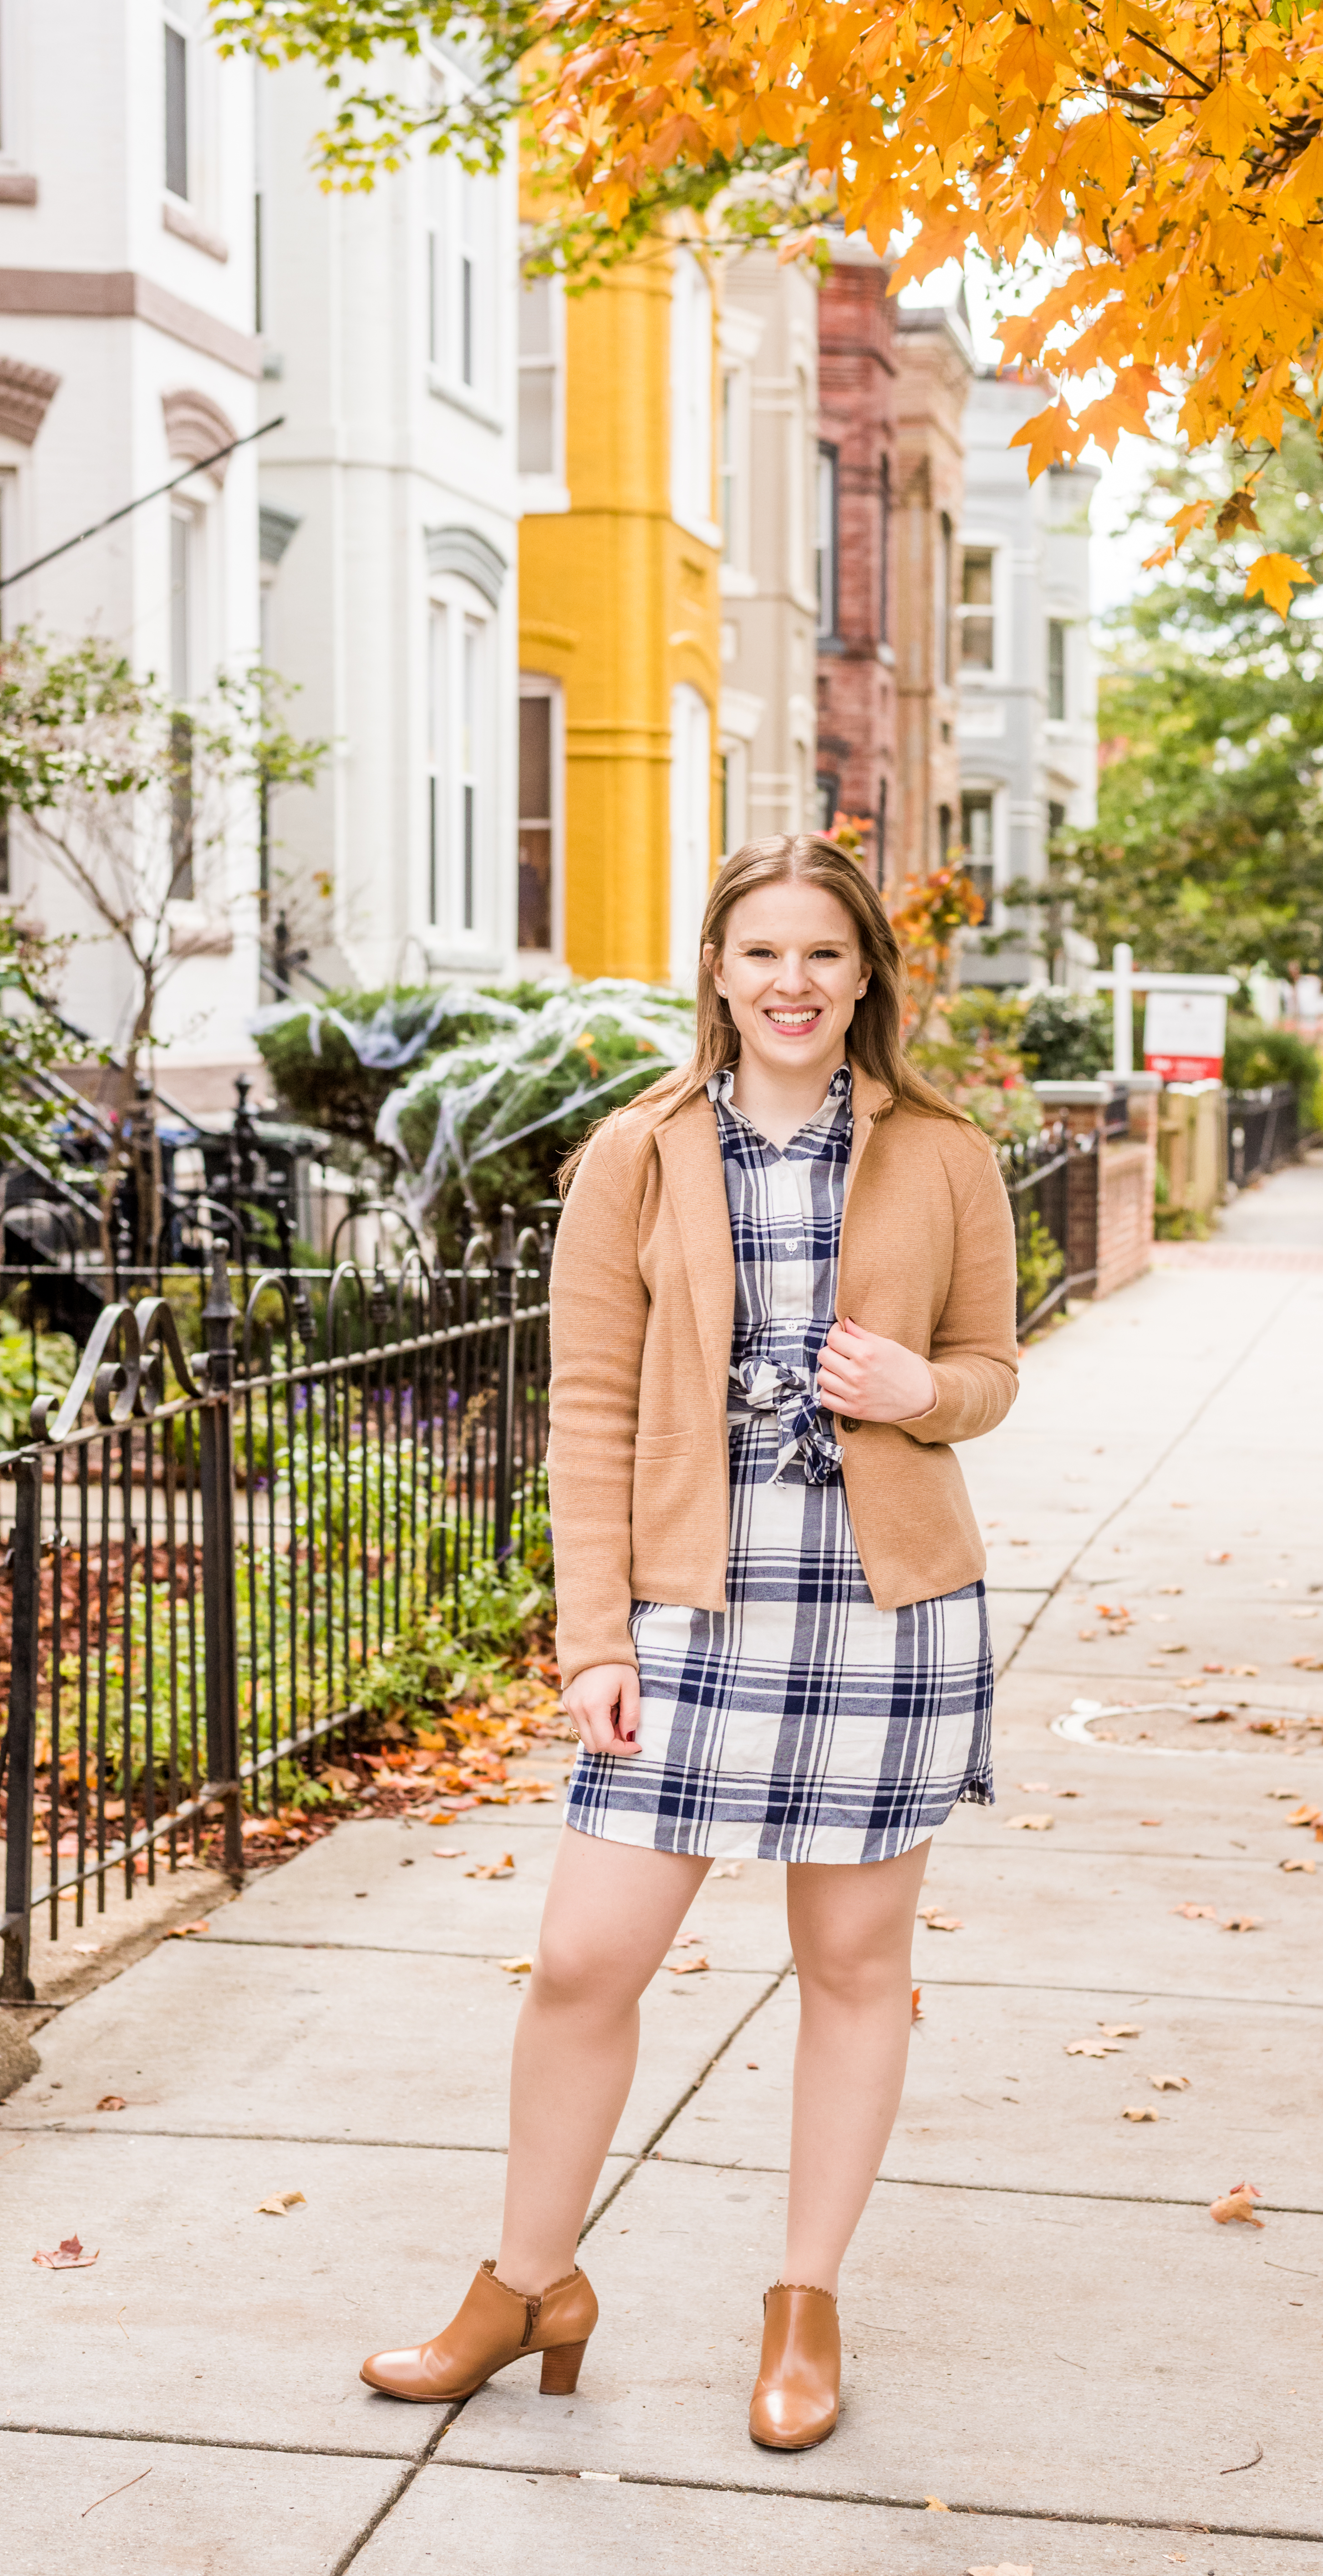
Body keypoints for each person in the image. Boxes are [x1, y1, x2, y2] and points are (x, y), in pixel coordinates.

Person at [360, 832, 1020, 2448]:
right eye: (759, 952)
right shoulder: (634, 1156)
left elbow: (989, 1368)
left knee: (853, 1965)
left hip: (884, 1614)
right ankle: (526, 2284)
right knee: (587, 1958)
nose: (790, 982)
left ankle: (804, 2303)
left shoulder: (945, 1154)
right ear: (713, 972)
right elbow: (585, 1408)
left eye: (822, 953)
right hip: (688, 1611)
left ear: (867, 974)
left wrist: (917, 1395)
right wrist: (596, 1635)